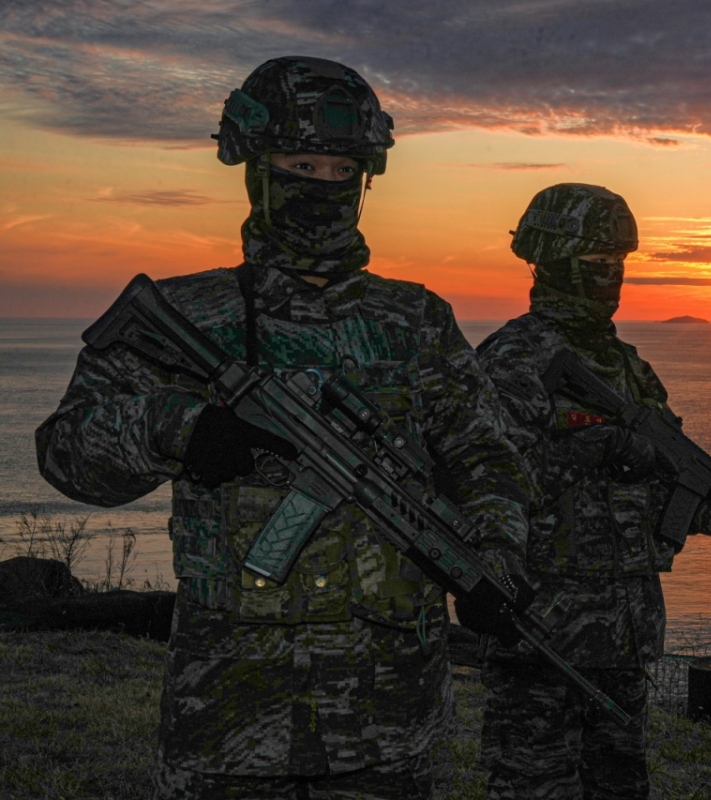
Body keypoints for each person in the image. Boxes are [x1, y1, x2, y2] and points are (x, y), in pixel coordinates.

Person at [35, 56, 529, 800]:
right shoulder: (189, 316)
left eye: (341, 167)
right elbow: (65, 453)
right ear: (255, 168)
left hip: (385, 723)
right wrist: (177, 428)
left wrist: (494, 559)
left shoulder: (414, 321)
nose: (322, 184)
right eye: (301, 162)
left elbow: (488, 461)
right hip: (230, 720)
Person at [474, 183, 711, 799]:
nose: (610, 278)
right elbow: (484, 475)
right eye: (596, 263)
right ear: (551, 259)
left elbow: (678, 487)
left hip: (623, 636)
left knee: (622, 786)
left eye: (618, 264)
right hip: (540, 631)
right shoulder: (515, 359)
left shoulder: (628, 369)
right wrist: (595, 451)